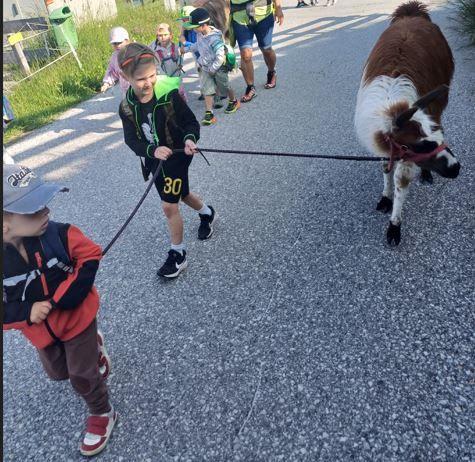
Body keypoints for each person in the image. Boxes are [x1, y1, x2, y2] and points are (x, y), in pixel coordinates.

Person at [3, 164, 116, 457]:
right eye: (32, 209)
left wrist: (60, 300)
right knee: (58, 373)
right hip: (40, 332)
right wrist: (26, 311)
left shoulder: (59, 234)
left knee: (81, 375)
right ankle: (95, 348)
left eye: (44, 203)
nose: (46, 211)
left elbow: (90, 254)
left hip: (77, 319)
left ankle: (102, 412)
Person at [117, 43, 216, 278]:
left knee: (169, 205)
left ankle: (178, 254)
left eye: (152, 75)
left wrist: (190, 139)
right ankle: (207, 213)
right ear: (126, 77)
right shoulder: (126, 107)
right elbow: (131, 140)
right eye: (141, 79)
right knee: (182, 194)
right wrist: (152, 150)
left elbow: (190, 122)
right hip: (155, 161)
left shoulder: (169, 95)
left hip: (177, 157)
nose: (149, 83)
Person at [182, 8, 240, 125]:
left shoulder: (214, 38)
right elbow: (198, 45)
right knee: (207, 89)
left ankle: (233, 101)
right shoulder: (200, 34)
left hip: (218, 67)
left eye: (194, 27)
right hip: (205, 66)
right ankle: (209, 113)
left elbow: (220, 57)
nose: (193, 29)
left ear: (203, 25)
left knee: (224, 87)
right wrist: (187, 49)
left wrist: (213, 69)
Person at [229, 0, 284, 102]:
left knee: (266, 49)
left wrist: (278, 8)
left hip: (263, 14)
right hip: (239, 16)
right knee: (245, 54)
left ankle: (271, 72)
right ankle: (250, 87)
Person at [149, 23, 187, 101]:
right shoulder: (153, 50)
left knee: (181, 98)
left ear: (171, 36)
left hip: (176, 79)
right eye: (160, 35)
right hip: (163, 81)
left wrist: (183, 45)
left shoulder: (176, 47)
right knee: (167, 100)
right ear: (157, 36)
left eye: (165, 35)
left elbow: (181, 59)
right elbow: (155, 66)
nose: (163, 38)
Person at [100, 26, 131, 95]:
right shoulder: (115, 56)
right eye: (114, 43)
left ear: (127, 41)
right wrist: (107, 83)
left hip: (138, 86)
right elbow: (112, 71)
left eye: (119, 42)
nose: (117, 46)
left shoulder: (134, 51)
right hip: (126, 90)